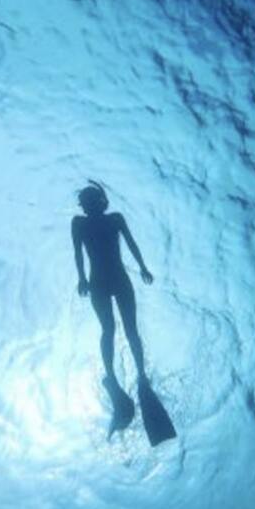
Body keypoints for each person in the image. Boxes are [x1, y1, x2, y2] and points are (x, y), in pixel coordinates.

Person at [71, 180, 161, 438]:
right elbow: (77, 252)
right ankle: (112, 376)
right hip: (100, 281)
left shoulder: (115, 219)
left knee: (129, 330)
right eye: (86, 203)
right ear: (84, 206)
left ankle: (141, 375)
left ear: (101, 202)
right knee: (109, 329)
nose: (89, 206)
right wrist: (81, 278)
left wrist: (143, 267)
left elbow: (131, 243)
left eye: (92, 201)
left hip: (118, 280)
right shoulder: (79, 223)